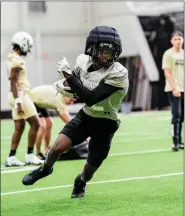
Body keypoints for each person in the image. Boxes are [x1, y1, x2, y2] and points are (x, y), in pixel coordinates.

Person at [22, 25, 129, 199]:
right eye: (102, 51)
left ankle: (81, 181)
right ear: (92, 49)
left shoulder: (119, 73)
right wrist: (66, 83)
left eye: (110, 53)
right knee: (57, 148)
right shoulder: (83, 61)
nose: (106, 56)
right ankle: (45, 168)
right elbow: (76, 86)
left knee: (90, 170)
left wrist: (68, 75)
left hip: (106, 123)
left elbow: (91, 97)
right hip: (86, 116)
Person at [5, 31, 44, 167]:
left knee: (19, 127)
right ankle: (29, 155)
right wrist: (19, 100)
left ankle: (11, 157)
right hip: (20, 95)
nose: (28, 48)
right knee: (36, 124)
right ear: (22, 43)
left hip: (15, 95)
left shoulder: (12, 58)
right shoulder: (17, 60)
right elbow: (14, 82)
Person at [29, 85, 77, 160]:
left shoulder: (61, 96)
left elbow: (62, 115)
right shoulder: (60, 100)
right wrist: (81, 132)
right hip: (32, 100)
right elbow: (68, 120)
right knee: (42, 126)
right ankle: (37, 153)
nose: (71, 103)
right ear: (66, 96)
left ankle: (46, 150)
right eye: (71, 100)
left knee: (49, 123)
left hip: (39, 101)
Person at [162, 31, 184, 151]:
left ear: (183, 40)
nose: (178, 41)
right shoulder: (168, 54)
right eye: (175, 39)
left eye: (179, 39)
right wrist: (174, 88)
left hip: (183, 88)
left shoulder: (183, 53)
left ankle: (180, 141)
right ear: (171, 41)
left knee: (182, 117)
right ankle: (174, 142)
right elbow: (167, 72)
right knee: (176, 115)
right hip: (173, 89)